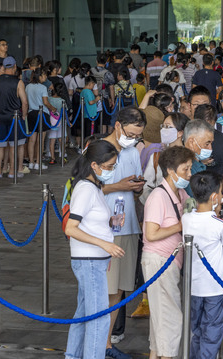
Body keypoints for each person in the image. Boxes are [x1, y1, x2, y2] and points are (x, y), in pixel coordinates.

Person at [63, 139, 127, 359]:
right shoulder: (86, 190)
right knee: (99, 318)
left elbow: (90, 222)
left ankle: (72, 356)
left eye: (112, 167)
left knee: (83, 314)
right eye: (108, 167)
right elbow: (72, 228)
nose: (110, 171)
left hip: (93, 260)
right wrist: (105, 243)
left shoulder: (94, 187)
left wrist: (110, 223)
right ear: (94, 165)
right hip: (89, 260)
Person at [141, 145, 195, 359]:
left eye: (190, 169)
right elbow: (151, 234)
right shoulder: (158, 196)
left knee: (161, 320)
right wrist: (180, 225)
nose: (189, 174)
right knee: (171, 319)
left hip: (171, 262)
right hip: (158, 260)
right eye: (185, 170)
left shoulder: (180, 192)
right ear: (171, 171)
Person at [100, 107, 147, 350]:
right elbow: (87, 188)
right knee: (105, 288)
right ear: (117, 125)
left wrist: (137, 187)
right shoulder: (98, 149)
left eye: (137, 136)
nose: (133, 139)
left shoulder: (131, 151)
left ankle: (106, 341)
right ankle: (98, 341)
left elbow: (135, 184)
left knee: (119, 288)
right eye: (130, 133)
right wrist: (118, 185)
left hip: (128, 225)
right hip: (105, 228)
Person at [182, 171, 223, 359]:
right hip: (215, 288)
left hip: (194, 287)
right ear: (214, 197)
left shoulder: (186, 219)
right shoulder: (219, 224)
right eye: (221, 192)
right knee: (211, 333)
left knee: (196, 331)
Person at [0, 56, 29, 179]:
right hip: (15, 117)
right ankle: (12, 171)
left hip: (0, 116)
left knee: (0, 144)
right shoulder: (18, 82)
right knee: (14, 145)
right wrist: (23, 115)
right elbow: (24, 102)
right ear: (14, 66)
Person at [26, 67, 57, 171]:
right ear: (39, 76)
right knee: (41, 140)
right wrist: (53, 109)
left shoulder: (28, 87)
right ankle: (38, 163)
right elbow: (46, 102)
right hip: (42, 114)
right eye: (44, 75)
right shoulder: (43, 87)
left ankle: (31, 162)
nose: (46, 77)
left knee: (32, 139)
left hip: (31, 113)